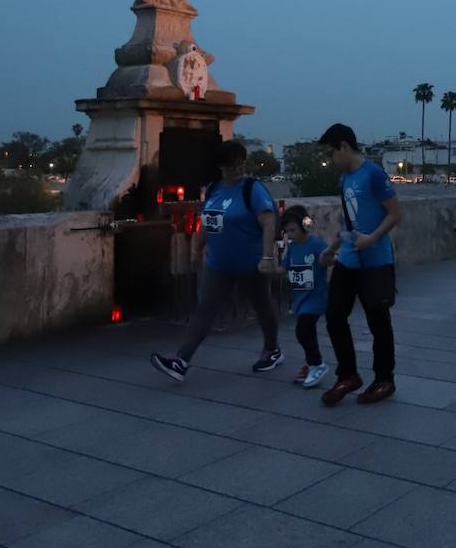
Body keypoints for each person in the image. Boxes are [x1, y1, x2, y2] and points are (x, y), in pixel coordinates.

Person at [150, 140, 283, 382]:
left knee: (262, 305)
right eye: (233, 165)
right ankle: (181, 360)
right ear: (221, 166)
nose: (239, 169)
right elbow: (209, 221)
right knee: (205, 309)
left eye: (241, 163)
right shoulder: (213, 190)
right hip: (219, 264)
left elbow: (268, 223)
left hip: (251, 263)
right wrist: (197, 248)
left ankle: (272, 349)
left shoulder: (252, 189)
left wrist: (267, 256)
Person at [316, 123, 402, 406]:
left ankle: (384, 379)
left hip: (376, 260)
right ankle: (348, 374)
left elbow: (395, 213)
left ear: (344, 146)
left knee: (378, 322)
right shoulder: (345, 179)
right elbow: (349, 222)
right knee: (334, 315)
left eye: (331, 153)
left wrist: (373, 238)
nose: (330, 160)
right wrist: (332, 248)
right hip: (349, 258)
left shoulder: (373, 174)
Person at [279, 205, 331, 388]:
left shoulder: (317, 244)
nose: (290, 234)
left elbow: (327, 258)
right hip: (300, 299)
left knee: (303, 330)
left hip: (316, 298)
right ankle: (310, 363)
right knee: (307, 333)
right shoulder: (292, 248)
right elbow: (283, 268)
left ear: (304, 225)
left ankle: (317, 364)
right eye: (287, 231)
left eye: (293, 229)